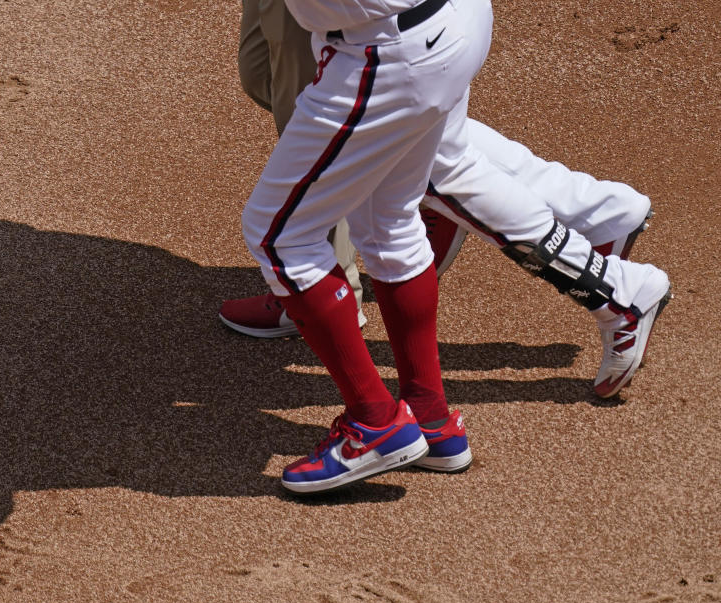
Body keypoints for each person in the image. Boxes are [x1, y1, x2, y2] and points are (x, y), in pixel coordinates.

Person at [237, 0, 671, 493]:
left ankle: (374, 422)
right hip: (443, 22)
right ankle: (430, 417)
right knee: (392, 219)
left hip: (385, 50)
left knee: (280, 238)